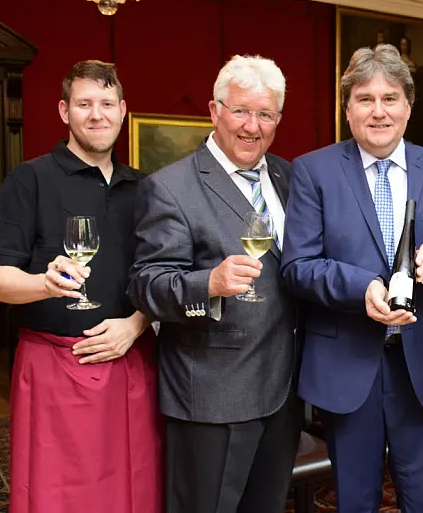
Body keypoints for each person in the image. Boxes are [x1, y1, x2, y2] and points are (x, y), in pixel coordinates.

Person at [281, 44, 423, 512]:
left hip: (422, 363)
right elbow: (297, 267)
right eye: (365, 99)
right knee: (355, 502)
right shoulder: (313, 171)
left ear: (408, 106)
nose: (378, 111)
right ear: (348, 110)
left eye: (389, 98)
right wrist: (360, 287)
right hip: (346, 363)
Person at [0, 60, 161, 513]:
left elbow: (162, 274)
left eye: (106, 104)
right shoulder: (30, 180)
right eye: (84, 104)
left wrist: (137, 323)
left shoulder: (145, 188)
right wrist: (44, 283)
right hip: (54, 366)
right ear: (64, 111)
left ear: (122, 110)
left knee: (136, 488)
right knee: (60, 497)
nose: (96, 114)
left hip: (131, 361)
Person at [128, 55, 301, 513]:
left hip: (283, 390)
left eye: (265, 114)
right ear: (214, 111)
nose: (252, 126)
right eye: (241, 110)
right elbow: (147, 284)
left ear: (278, 119)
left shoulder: (289, 177)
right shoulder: (171, 187)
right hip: (211, 394)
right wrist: (210, 282)